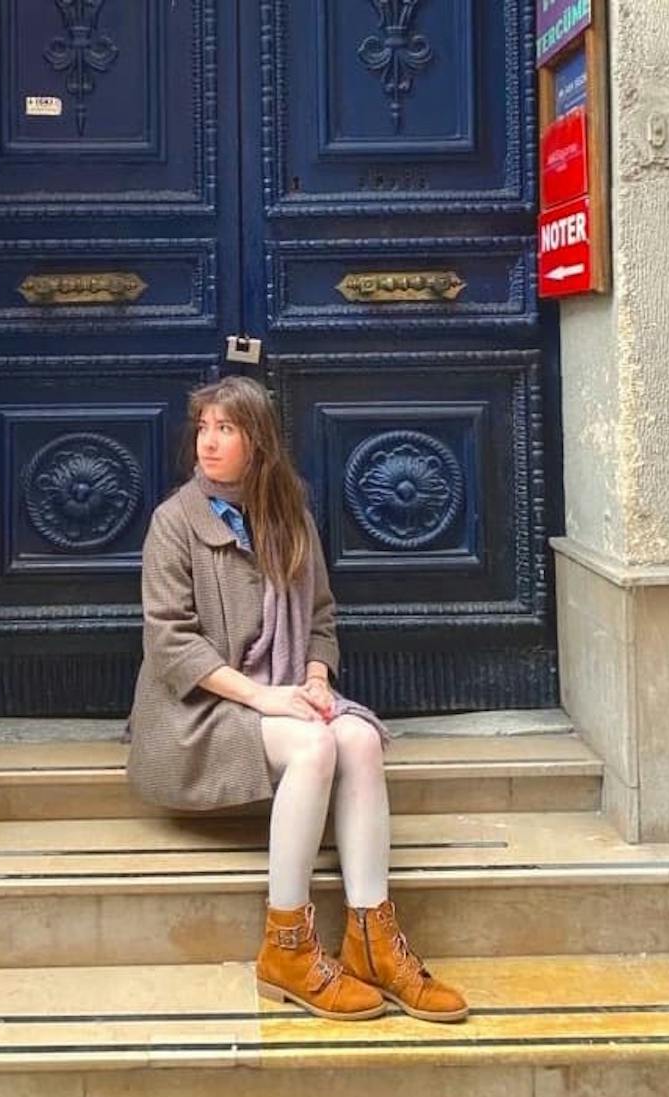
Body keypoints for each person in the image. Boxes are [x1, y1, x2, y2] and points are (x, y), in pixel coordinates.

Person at [127, 376, 468, 1023]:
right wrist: (266, 697)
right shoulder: (174, 522)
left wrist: (314, 680)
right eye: (203, 428)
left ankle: (371, 939)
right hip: (199, 711)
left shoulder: (291, 519)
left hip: (279, 690)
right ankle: (286, 947)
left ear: (258, 441)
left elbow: (319, 618)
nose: (208, 442)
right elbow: (170, 644)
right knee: (314, 745)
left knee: (358, 739)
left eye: (226, 429)